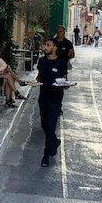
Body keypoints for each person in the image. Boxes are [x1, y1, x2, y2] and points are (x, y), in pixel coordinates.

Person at [35, 38, 68, 167]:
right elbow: (39, 76)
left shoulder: (61, 62)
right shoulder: (42, 61)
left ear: (54, 48)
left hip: (55, 98)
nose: (45, 47)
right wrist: (36, 81)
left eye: (48, 45)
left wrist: (65, 85)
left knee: (50, 126)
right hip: (43, 97)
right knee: (44, 125)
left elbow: (64, 79)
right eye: (45, 45)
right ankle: (54, 142)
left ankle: (45, 155)